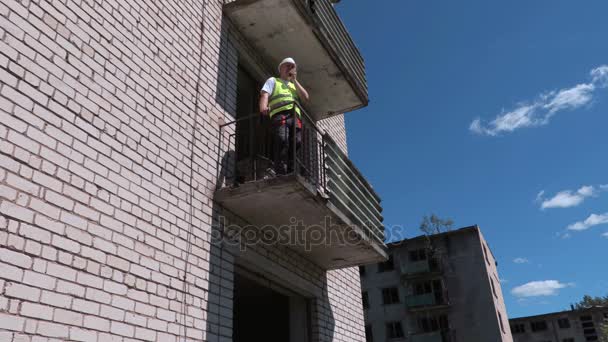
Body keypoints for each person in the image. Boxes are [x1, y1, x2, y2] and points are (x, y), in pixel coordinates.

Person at [259, 57, 310, 175]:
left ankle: (291, 170)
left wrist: (295, 81)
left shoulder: (294, 86)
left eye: (292, 67)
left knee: (296, 142)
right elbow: (265, 94)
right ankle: (280, 171)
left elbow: (306, 97)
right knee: (282, 139)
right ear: (281, 68)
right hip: (280, 114)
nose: (290, 68)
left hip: (295, 117)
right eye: (288, 66)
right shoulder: (273, 80)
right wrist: (263, 108)